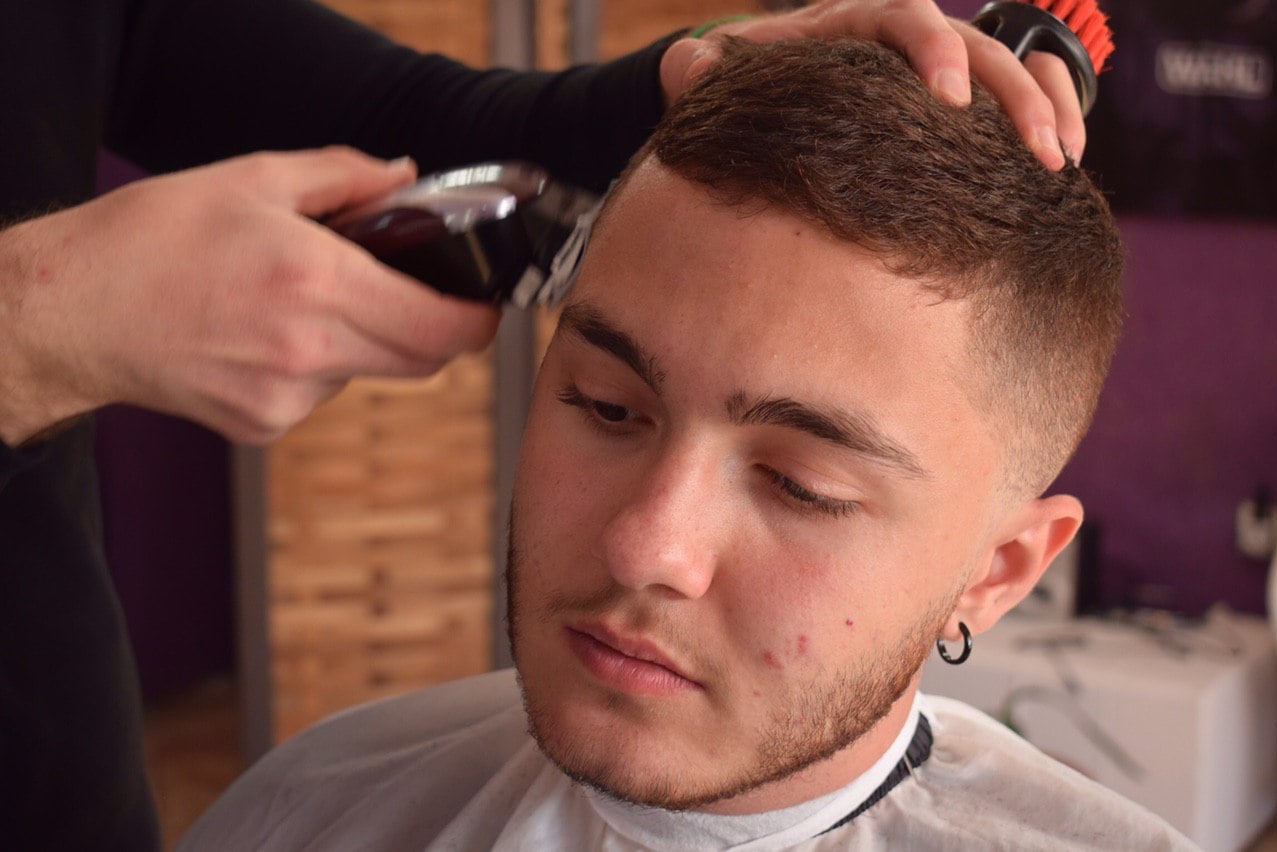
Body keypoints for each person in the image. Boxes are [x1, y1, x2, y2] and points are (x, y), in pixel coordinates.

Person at [0, 1, 1089, 849]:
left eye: (799, 485)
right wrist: (32, 326)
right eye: (608, 408)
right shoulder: (311, 810)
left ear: (994, 571)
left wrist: (671, 84)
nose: (642, 545)